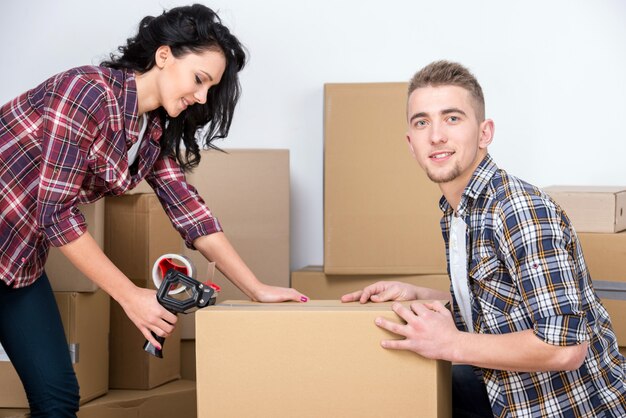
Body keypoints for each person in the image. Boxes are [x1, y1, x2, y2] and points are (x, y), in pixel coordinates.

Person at [0, 4, 308, 416]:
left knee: (57, 399)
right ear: (164, 55)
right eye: (199, 79)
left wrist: (257, 288)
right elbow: (55, 214)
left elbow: (189, 210)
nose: (202, 96)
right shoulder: (86, 91)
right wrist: (130, 297)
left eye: (210, 89)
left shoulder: (153, 130)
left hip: (17, 263)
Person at [342, 60, 626, 417]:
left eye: (452, 118)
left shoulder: (517, 209)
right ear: (411, 143)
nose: (436, 135)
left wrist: (452, 343)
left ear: (484, 132)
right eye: (422, 122)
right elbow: (501, 304)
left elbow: (565, 347)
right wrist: (420, 295)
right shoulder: (458, 211)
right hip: (508, 396)